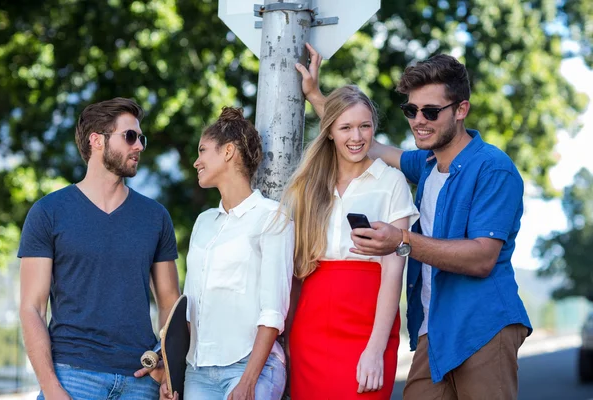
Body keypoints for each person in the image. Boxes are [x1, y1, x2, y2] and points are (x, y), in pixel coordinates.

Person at [297, 44, 532, 399]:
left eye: (431, 111)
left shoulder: (493, 168)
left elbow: (483, 258)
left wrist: (402, 240)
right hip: (433, 330)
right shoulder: (424, 164)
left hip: (483, 326)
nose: (419, 120)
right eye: (412, 109)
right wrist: (316, 95)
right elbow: (360, 141)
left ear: (461, 110)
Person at [18, 97, 181, 399]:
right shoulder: (48, 212)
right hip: (73, 378)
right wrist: (52, 388)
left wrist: (165, 366)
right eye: (130, 136)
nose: (139, 146)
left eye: (141, 138)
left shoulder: (155, 217)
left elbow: (170, 303)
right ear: (96, 141)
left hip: (139, 381)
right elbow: (32, 308)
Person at [282, 85, 419, 399]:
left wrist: (375, 349)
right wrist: (286, 340)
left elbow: (393, 273)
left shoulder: (391, 182)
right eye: (345, 127)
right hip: (311, 326)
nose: (357, 137)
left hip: (369, 324)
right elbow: (295, 271)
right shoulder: (309, 184)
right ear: (329, 131)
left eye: (365, 126)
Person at [166, 107, 293, 400]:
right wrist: (172, 371)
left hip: (250, 367)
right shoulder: (203, 222)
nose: (196, 161)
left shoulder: (272, 217)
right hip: (197, 370)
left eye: (203, 150)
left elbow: (273, 313)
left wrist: (248, 382)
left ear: (228, 152)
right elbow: (190, 308)